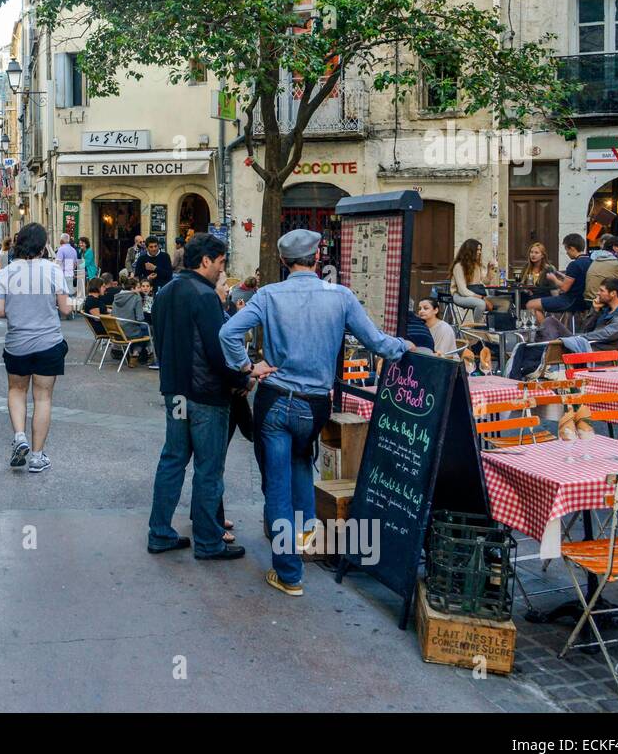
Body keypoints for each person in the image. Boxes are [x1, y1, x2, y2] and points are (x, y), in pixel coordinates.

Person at [221, 228, 412, 597]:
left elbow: (229, 333)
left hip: (275, 399)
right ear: (318, 256)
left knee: (277, 487)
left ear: (283, 260)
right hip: (315, 404)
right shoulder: (339, 295)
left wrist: (247, 367)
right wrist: (405, 344)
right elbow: (377, 343)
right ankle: (306, 531)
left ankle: (289, 573)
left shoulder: (269, 295)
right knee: (300, 465)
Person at [148, 233, 274, 560]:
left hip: (175, 394)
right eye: (220, 263)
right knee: (208, 467)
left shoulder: (165, 292)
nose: (222, 270)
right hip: (205, 397)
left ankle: (160, 532)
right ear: (205, 261)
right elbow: (218, 352)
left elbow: (159, 343)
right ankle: (208, 541)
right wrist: (243, 376)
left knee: (173, 459)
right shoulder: (204, 296)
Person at [0, 222, 71, 473]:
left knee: (16, 390)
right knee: (43, 398)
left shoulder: (6, 272)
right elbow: (66, 309)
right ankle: (37, 457)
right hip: (49, 343)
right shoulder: (53, 270)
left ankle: (19, 437)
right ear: (43, 244)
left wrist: (18, 313)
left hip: (17, 344)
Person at [525, 233, 591, 324]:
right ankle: (545, 331)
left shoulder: (574, 265)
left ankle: (547, 332)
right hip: (583, 301)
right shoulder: (590, 262)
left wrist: (554, 279)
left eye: (566, 249)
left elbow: (564, 288)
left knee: (531, 304)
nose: (566, 253)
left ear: (572, 248)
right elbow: (579, 280)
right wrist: (564, 276)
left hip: (570, 301)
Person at [449, 238, 495, 324]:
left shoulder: (477, 265)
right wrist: (482, 298)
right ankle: (478, 328)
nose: (479, 252)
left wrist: (489, 269)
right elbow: (463, 291)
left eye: (480, 250)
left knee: (503, 302)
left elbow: (485, 282)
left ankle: (493, 328)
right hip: (459, 296)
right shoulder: (459, 266)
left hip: (475, 293)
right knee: (481, 304)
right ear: (470, 251)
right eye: (477, 250)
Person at [111, 275, 150, 364]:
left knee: (143, 329)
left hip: (116, 332)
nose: (140, 289)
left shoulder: (116, 297)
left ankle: (134, 354)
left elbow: (112, 314)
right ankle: (139, 353)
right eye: (138, 287)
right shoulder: (136, 298)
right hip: (129, 333)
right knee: (147, 329)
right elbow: (140, 319)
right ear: (132, 288)